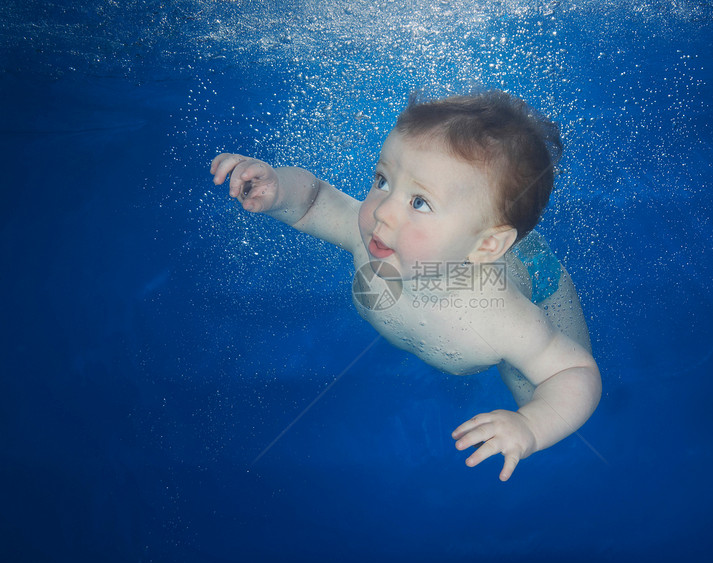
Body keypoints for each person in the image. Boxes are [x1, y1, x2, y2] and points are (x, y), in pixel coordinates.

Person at [210, 90, 601, 481]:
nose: (383, 211)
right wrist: (277, 188)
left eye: (419, 203)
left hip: (537, 275)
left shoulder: (501, 315)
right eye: (382, 180)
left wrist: (531, 427)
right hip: (484, 242)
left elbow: (575, 373)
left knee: (530, 385)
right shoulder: (373, 240)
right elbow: (313, 201)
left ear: (485, 245)